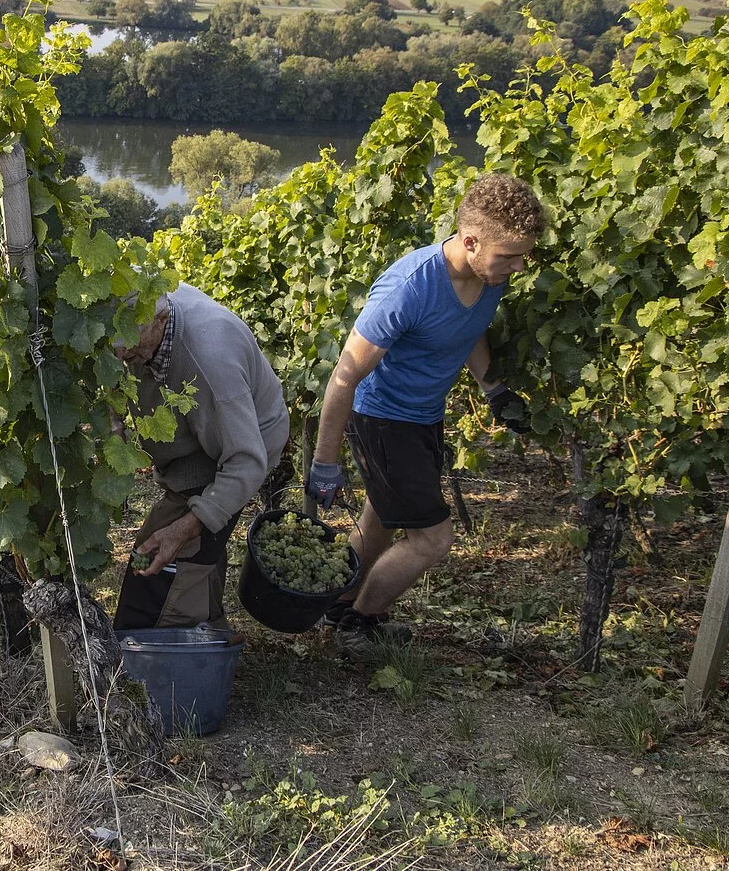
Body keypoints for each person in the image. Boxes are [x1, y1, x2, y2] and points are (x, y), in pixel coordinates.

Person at [306, 173, 546, 656]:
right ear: (471, 240)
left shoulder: (487, 274)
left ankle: (337, 604)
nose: (519, 266)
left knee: (380, 517)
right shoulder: (409, 288)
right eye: (509, 255)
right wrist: (324, 463)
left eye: (524, 255)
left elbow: (470, 327)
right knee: (432, 540)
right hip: (382, 420)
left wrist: (492, 388)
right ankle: (360, 623)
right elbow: (344, 377)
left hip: (423, 417)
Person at [113, 282, 291, 629]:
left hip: (243, 444)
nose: (120, 355)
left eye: (128, 346)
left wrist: (187, 527)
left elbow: (244, 461)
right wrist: (114, 424)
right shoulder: (139, 311)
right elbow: (114, 374)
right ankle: (209, 629)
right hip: (198, 436)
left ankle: (168, 649)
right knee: (200, 546)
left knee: (161, 561)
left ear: (162, 319)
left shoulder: (211, 363)